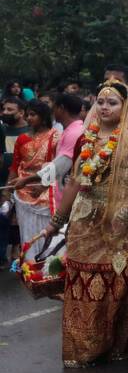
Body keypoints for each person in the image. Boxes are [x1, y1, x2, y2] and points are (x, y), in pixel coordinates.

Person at [41, 81, 128, 367]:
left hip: (123, 223)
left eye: (113, 103)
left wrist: (123, 213)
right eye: (101, 102)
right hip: (86, 219)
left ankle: (120, 345)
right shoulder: (87, 138)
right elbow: (75, 181)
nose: (105, 107)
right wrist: (56, 221)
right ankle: (84, 348)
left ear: (126, 107)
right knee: (83, 278)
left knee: (119, 283)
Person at [6, 100, 60, 260]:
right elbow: (15, 166)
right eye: (27, 114)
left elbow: (58, 166)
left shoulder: (55, 137)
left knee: (46, 231)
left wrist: (44, 186)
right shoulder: (22, 139)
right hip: (23, 194)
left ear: (43, 117)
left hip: (46, 193)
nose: (29, 118)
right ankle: (30, 264)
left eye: (33, 115)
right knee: (27, 232)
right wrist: (8, 191)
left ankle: (48, 265)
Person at [50, 92, 84, 191]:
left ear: (61, 108)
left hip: (67, 192)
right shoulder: (71, 130)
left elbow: (61, 165)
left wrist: (29, 179)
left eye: (54, 109)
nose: (53, 113)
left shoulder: (74, 133)